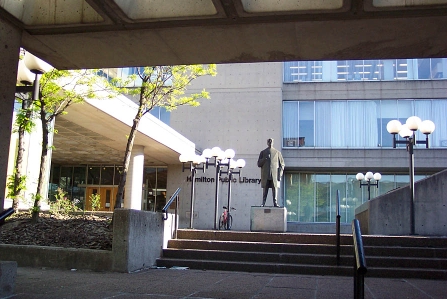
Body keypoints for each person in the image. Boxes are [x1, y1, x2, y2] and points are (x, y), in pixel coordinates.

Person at [257, 138, 285, 207]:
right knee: (265, 190)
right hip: (266, 175)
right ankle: (263, 203)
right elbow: (259, 164)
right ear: (267, 143)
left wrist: (280, 175)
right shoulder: (263, 152)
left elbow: (282, 164)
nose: (270, 142)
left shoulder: (277, 153)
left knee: (275, 189)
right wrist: (264, 159)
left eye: (271, 141)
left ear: (273, 142)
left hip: (274, 175)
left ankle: (275, 203)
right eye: (269, 141)